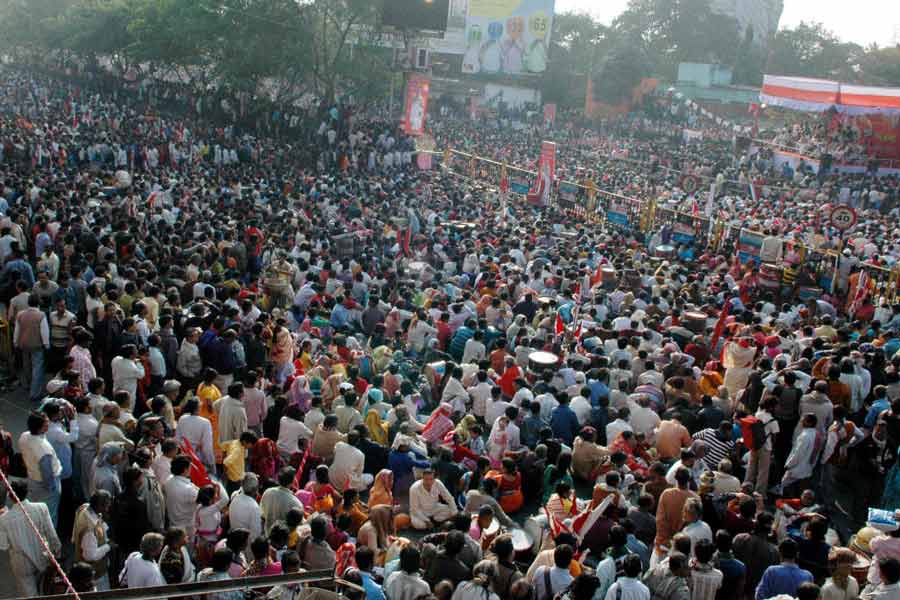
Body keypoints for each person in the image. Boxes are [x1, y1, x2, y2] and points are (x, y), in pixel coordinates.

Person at [0, 479, 62, 597]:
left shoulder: (4, 519)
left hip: (22, 563)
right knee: (46, 591)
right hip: (42, 557)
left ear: (11, 496)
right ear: (27, 492)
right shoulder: (41, 508)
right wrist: (57, 555)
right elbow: (52, 536)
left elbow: (3, 545)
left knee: (30, 595)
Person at [260, 467, 303, 535]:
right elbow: (299, 526)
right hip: (283, 541)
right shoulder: (296, 503)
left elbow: (262, 515)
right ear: (292, 482)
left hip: (267, 534)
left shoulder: (268, 492)